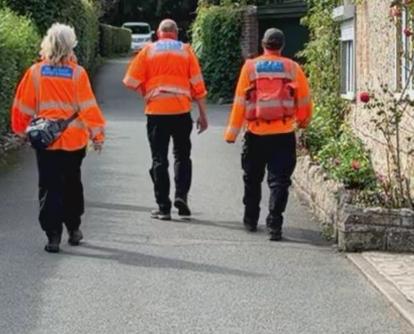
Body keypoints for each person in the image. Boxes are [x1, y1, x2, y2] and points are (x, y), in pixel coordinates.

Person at [11, 24, 107, 253]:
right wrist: (97, 135)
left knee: (49, 186)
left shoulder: (35, 72)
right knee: (72, 184)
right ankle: (74, 228)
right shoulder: (78, 73)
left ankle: (52, 236)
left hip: (46, 139)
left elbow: (22, 105)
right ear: (70, 46)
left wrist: (22, 131)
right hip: (73, 139)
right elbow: (88, 107)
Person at [224, 28, 313, 241]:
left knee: (252, 179)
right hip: (283, 134)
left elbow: (239, 102)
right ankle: (275, 225)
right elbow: (304, 100)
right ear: (281, 46)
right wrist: (303, 122)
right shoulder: (293, 68)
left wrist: (232, 133)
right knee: (280, 181)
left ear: (263, 44)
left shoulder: (250, 68)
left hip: (256, 133)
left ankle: (250, 219)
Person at [122, 19, 209, 220]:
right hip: (181, 111)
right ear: (176, 34)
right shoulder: (186, 51)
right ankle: (181, 196)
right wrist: (203, 116)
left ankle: (163, 207)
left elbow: (130, 81)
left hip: (156, 112)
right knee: (182, 156)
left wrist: (146, 91)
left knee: (159, 159)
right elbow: (198, 86)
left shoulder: (148, 51)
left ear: (158, 34)